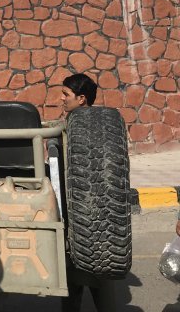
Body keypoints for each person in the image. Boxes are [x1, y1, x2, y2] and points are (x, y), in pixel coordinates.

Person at [60, 73, 117, 311]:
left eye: (66, 94)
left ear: (82, 99)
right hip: (83, 218)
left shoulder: (93, 131)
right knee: (79, 281)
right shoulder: (73, 124)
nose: (61, 99)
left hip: (90, 219)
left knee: (88, 279)